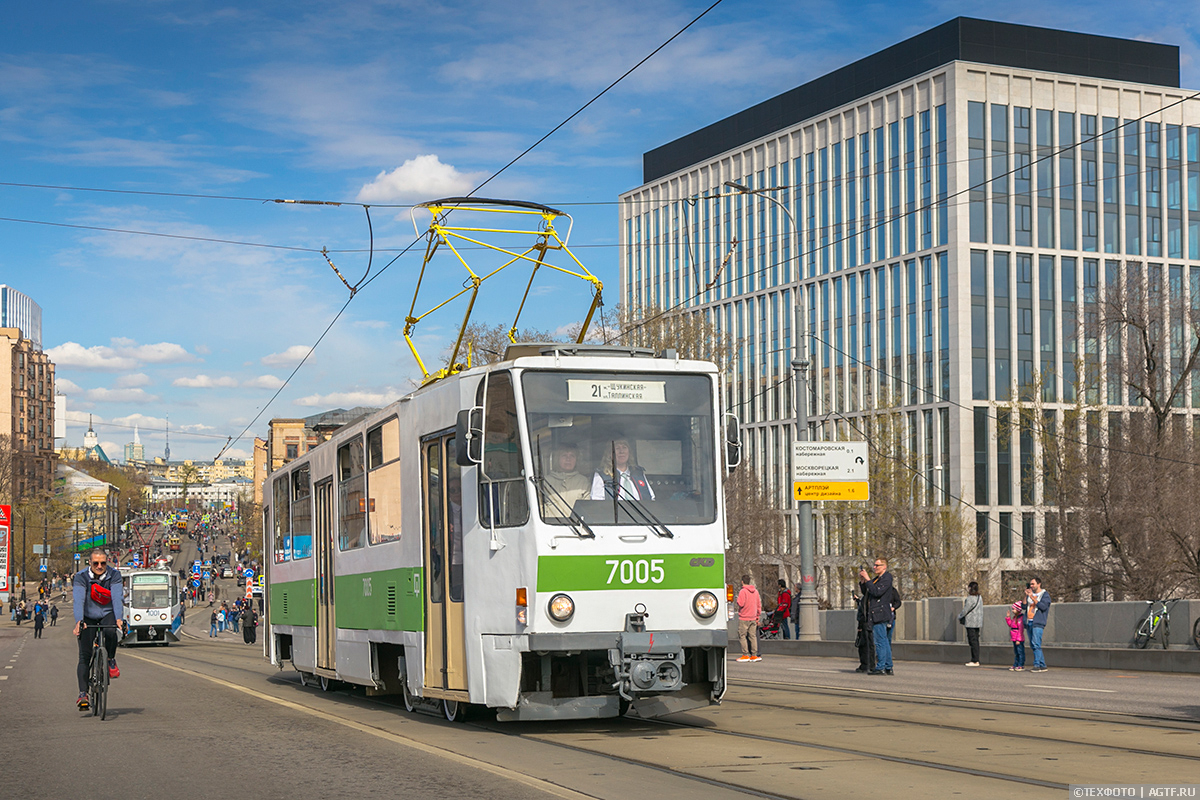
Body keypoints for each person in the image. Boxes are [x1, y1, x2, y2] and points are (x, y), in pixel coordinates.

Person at [72, 550, 125, 710]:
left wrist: (119, 618)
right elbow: (79, 600)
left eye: (103, 563)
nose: (100, 566)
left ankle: (110, 659)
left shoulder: (114, 575)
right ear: (90, 563)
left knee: (110, 631)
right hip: (88, 616)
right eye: (96, 563)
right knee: (84, 656)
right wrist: (79, 621)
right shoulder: (81, 577)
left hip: (107, 613)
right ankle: (83, 694)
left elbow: (117, 597)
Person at [858, 558, 895, 675]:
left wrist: (868, 579)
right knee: (884, 641)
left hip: (880, 614)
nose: (874, 567)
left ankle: (881, 667)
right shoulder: (876, 579)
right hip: (876, 613)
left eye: (877, 565)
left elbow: (877, 592)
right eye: (874, 565)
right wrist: (863, 581)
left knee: (880, 642)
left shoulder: (887, 578)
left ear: (884, 566)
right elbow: (868, 592)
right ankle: (888, 666)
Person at [591, 438, 655, 501]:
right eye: (617, 448)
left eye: (624, 447)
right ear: (609, 454)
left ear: (629, 452)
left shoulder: (638, 473)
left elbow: (651, 499)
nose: (621, 451)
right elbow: (597, 502)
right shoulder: (602, 475)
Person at [543, 444, 591, 517]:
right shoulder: (545, 481)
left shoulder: (583, 482)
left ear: (576, 460)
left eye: (572, 456)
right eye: (564, 455)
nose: (568, 459)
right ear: (557, 459)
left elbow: (587, 509)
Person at [1024, 577, 1052, 672]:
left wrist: (1032, 597)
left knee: (1036, 643)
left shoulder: (1044, 595)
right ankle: (1042, 665)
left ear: (1039, 584)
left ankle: (1037, 665)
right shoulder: (1030, 594)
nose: (1031, 586)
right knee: (1033, 644)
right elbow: (1024, 606)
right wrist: (1026, 596)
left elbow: (1043, 607)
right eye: (1030, 584)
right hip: (1029, 621)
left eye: (1033, 584)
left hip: (1038, 622)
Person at [735, 574, 762, 662]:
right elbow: (759, 605)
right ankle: (754, 655)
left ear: (742, 582)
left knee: (742, 636)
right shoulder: (755, 591)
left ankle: (745, 654)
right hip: (753, 617)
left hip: (744, 617)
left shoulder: (743, 591)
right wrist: (758, 616)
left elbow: (741, 603)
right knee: (753, 636)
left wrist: (737, 599)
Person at [959, 581, 983, 666]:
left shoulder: (970, 598)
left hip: (971, 622)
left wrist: (960, 616)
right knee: (976, 640)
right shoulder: (979, 597)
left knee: (972, 641)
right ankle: (976, 659)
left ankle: (974, 660)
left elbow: (966, 610)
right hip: (978, 622)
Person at [851, 587, 875, 673]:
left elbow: (863, 612)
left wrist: (861, 626)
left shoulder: (867, 598)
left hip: (865, 623)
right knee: (868, 645)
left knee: (864, 645)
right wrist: (858, 600)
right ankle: (870, 665)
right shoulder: (867, 598)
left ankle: (866, 665)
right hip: (867, 623)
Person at [1006, 601, 1026, 671]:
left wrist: (1018, 639)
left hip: (1018, 638)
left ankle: (1021, 664)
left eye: (1014, 609)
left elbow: (1020, 629)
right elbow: (1011, 624)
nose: (1012, 610)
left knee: (1020, 652)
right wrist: (1008, 618)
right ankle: (1016, 664)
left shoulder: (1020, 618)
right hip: (1014, 638)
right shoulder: (1015, 617)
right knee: (1016, 652)